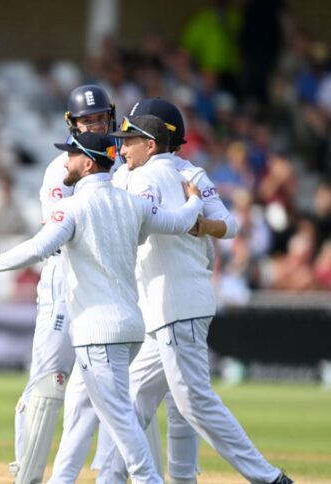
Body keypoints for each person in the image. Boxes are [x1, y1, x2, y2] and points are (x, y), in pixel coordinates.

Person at [0, 131, 205, 484]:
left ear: (88, 163)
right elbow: (178, 222)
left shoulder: (73, 207)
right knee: (85, 412)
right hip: (131, 327)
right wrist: (194, 202)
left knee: (119, 415)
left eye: (71, 155)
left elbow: (38, 249)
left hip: (96, 330)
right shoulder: (132, 202)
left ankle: (149, 480)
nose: (65, 162)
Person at [94, 114, 294, 484]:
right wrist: (196, 221)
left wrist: (189, 220)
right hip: (169, 306)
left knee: (194, 401)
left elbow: (141, 227)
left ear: (150, 145)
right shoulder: (189, 173)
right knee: (129, 403)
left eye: (129, 141)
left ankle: (268, 478)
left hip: (175, 304)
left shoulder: (144, 177)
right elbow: (228, 226)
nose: (121, 148)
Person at [11, 84, 118, 484]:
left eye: (101, 118)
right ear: (71, 124)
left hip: (109, 286)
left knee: (104, 390)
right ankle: (29, 473)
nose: (95, 125)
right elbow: (59, 231)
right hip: (63, 281)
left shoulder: (121, 165)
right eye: (87, 120)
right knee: (47, 384)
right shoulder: (60, 169)